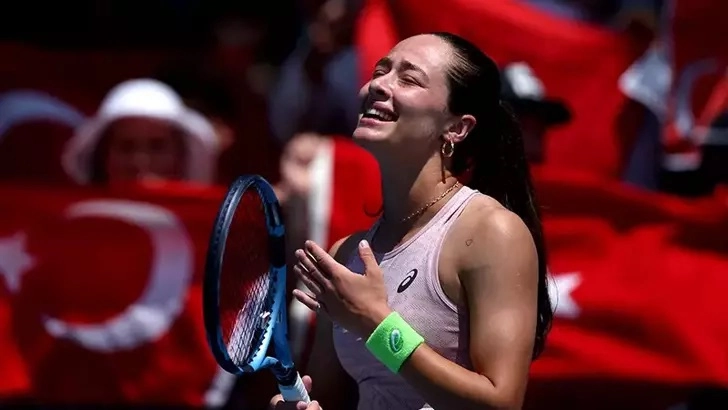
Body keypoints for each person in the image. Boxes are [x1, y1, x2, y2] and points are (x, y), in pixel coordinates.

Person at [270, 32, 553, 410]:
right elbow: (328, 397)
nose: (377, 86)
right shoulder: (344, 254)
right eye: (379, 71)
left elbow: (501, 403)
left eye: (408, 79)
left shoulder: (492, 232)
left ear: (457, 128)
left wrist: (375, 322)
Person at [62, 78, 220, 186]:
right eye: (126, 147)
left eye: (157, 147)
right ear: (102, 156)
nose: (140, 162)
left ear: (181, 155)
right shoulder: (71, 223)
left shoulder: (213, 224)